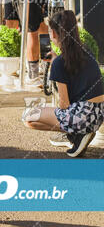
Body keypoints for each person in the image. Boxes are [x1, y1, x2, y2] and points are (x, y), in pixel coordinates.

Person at [23, 10, 104, 157]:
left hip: (82, 117)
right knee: (50, 112)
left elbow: (64, 105)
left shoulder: (60, 63)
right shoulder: (86, 50)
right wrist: (56, 60)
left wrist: (46, 108)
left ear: (53, 34)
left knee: (29, 118)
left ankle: (76, 135)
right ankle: (77, 134)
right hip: (98, 115)